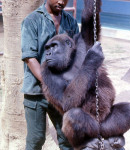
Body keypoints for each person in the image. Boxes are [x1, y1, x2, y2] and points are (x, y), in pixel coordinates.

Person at [21, 0, 79, 150]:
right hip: (36, 92)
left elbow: (77, 54)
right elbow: (30, 57)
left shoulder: (70, 22)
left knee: (67, 138)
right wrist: (50, 85)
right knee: (36, 139)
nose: (61, 2)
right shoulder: (32, 20)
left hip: (62, 95)